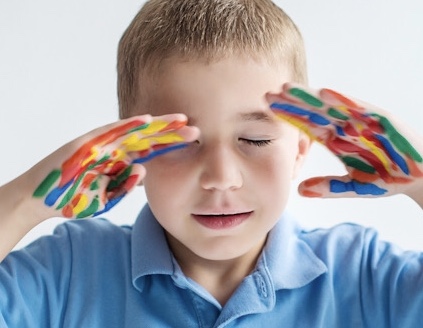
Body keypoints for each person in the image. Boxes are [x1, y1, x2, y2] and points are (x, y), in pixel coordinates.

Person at [1, 0, 423, 327]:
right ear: (126, 149)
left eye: (255, 139)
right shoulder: (68, 273)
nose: (221, 179)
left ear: (299, 150)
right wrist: (25, 202)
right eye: (183, 142)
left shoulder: (366, 277)